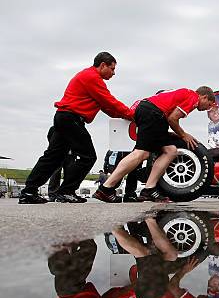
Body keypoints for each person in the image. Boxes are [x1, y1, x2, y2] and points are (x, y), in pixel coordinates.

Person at [20, 52, 134, 204]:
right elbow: (110, 101)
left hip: (63, 117)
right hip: (70, 118)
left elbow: (107, 108)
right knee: (88, 156)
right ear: (102, 65)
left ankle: (29, 191)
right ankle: (66, 191)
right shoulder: (92, 78)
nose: (113, 73)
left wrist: (126, 116)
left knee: (53, 157)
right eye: (112, 69)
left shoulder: (88, 77)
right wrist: (134, 114)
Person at [93, 86, 216, 203]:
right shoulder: (193, 97)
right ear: (204, 97)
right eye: (209, 105)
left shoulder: (184, 93)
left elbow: (167, 117)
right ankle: (106, 188)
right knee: (141, 153)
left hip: (152, 113)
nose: (207, 109)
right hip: (152, 113)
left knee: (170, 150)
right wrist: (184, 135)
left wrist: (168, 133)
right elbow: (173, 118)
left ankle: (149, 189)